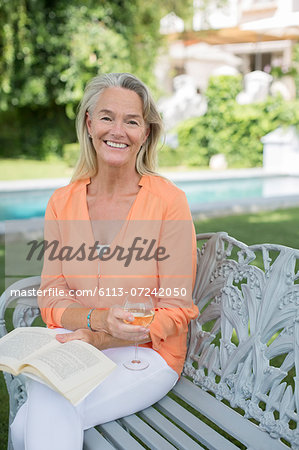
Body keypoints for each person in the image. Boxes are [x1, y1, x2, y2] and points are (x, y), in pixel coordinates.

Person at [10, 72, 198, 450]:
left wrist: (100, 336)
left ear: (145, 133)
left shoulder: (168, 202)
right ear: (89, 123)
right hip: (77, 345)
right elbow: (52, 296)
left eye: (132, 121)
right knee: (32, 421)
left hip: (146, 356)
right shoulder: (62, 202)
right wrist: (94, 322)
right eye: (108, 117)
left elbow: (176, 308)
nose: (119, 130)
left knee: (31, 423)